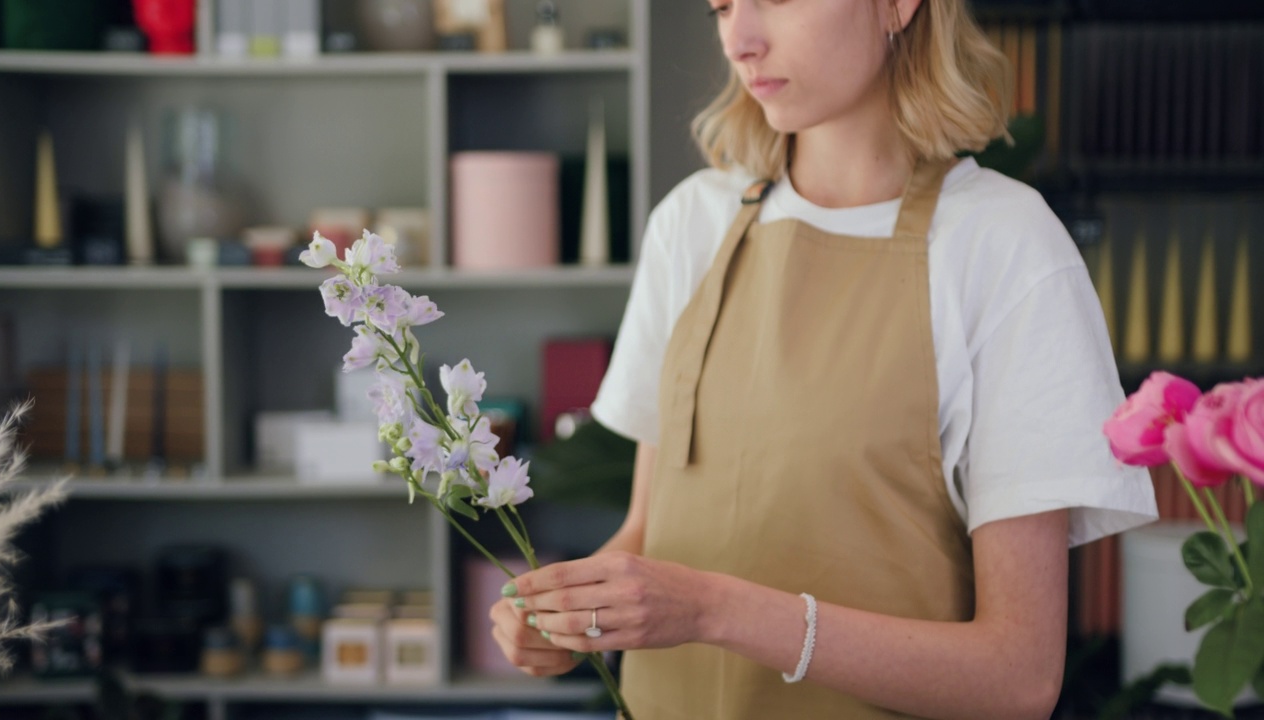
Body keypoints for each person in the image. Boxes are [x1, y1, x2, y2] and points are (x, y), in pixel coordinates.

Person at [490, 0, 1158, 717]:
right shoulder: (692, 224)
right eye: (720, 7)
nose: (740, 41)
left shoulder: (1004, 248)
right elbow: (649, 533)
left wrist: (717, 610)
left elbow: (1019, 677)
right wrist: (569, 613)